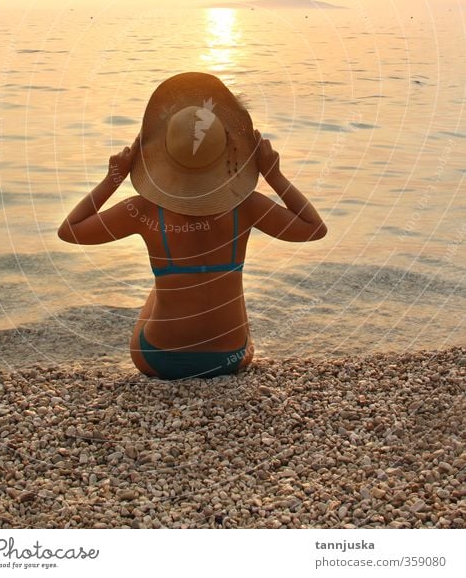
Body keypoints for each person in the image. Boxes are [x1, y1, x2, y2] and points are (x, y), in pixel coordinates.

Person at [57, 72, 327, 380]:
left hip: (158, 360)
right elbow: (313, 228)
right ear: (228, 151)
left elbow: (71, 230)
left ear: (162, 155)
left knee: (161, 289)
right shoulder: (247, 206)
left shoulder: (143, 210)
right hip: (230, 359)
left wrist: (113, 178)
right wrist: (274, 175)